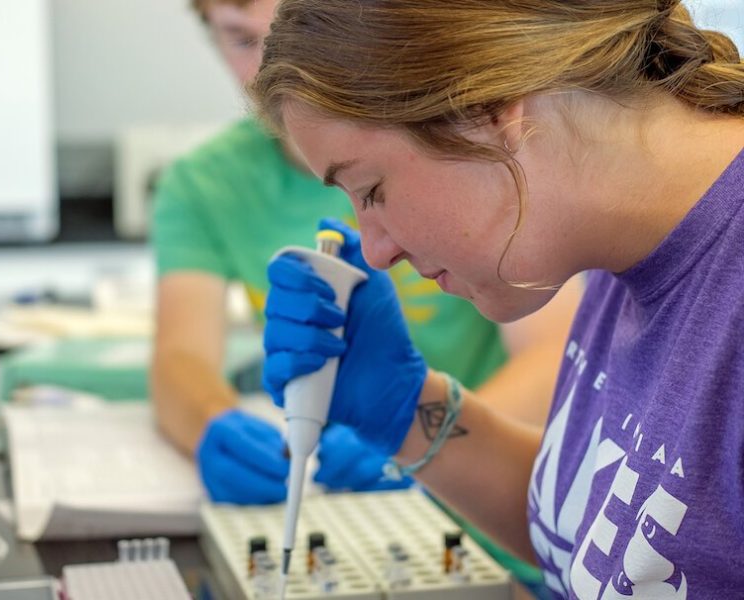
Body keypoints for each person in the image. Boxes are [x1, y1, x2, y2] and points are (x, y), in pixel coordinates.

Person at [250, 0, 744, 597]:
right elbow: (619, 547)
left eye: (371, 189)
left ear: (485, 111)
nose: (376, 251)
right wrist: (407, 408)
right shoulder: (614, 244)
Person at [150, 0, 579, 591]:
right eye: (243, 42)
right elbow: (180, 354)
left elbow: (558, 351)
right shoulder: (205, 181)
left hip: (496, 503)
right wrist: (209, 422)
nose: (274, 75)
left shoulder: (464, 150)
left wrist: (418, 435)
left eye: (373, 188)